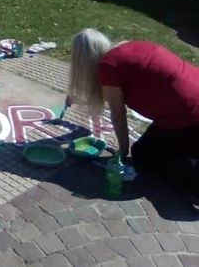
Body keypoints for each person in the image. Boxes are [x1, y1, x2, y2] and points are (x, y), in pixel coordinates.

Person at [67, 28, 199, 198]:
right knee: (145, 149)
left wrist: (122, 152)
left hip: (188, 114)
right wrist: (80, 98)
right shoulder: (126, 47)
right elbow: (111, 95)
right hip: (188, 102)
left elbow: (118, 115)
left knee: (145, 158)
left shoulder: (108, 66)